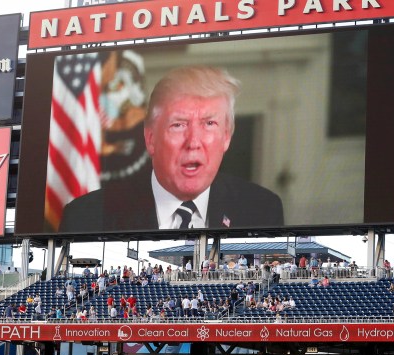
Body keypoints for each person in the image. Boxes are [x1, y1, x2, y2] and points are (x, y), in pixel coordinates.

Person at [59, 65, 284, 232]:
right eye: (178, 125)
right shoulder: (87, 217)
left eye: (209, 124)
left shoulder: (262, 210)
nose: (194, 141)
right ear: (150, 138)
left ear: (226, 137)